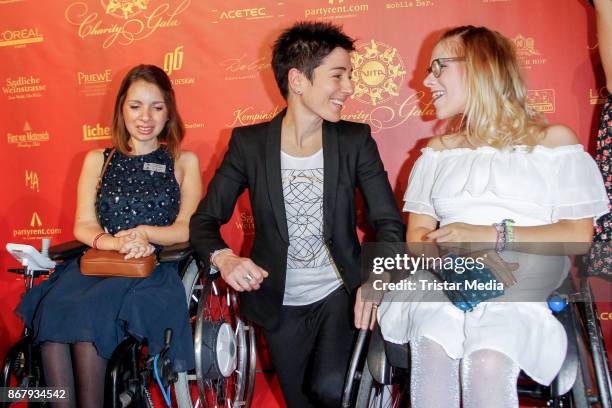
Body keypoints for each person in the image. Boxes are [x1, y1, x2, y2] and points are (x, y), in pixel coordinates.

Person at [377, 26, 609, 408]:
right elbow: (418, 233)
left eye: (439, 67)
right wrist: (450, 267)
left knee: (486, 362)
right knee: (433, 346)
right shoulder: (436, 153)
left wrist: (490, 235)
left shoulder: (554, 144)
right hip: (444, 279)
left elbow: (578, 234)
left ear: (481, 68)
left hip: (524, 280)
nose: (426, 80)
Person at [189, 21, 404, 407]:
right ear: (298, 80)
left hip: (341, 294)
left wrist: (373, 283)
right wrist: (225, 258)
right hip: (278, 302)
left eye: (351, 76)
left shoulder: (355, 141)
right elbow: (204, 222)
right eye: (338, 76)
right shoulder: (249, 145)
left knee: (331, 388)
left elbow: (388, 223)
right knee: (302, 399)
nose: (350, 88)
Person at [16, 64, 202, 408]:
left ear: (168, 112)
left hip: (151, 267)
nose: (145, 117)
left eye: (156, 107)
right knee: (54, 309)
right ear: (121, 109)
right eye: (135, 106)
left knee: (91, 320)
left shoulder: (183, 161)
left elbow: (187, 228)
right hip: (99, 262)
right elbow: (83, 225)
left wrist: (144, 234)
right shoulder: (97, 159)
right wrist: (116, 242)